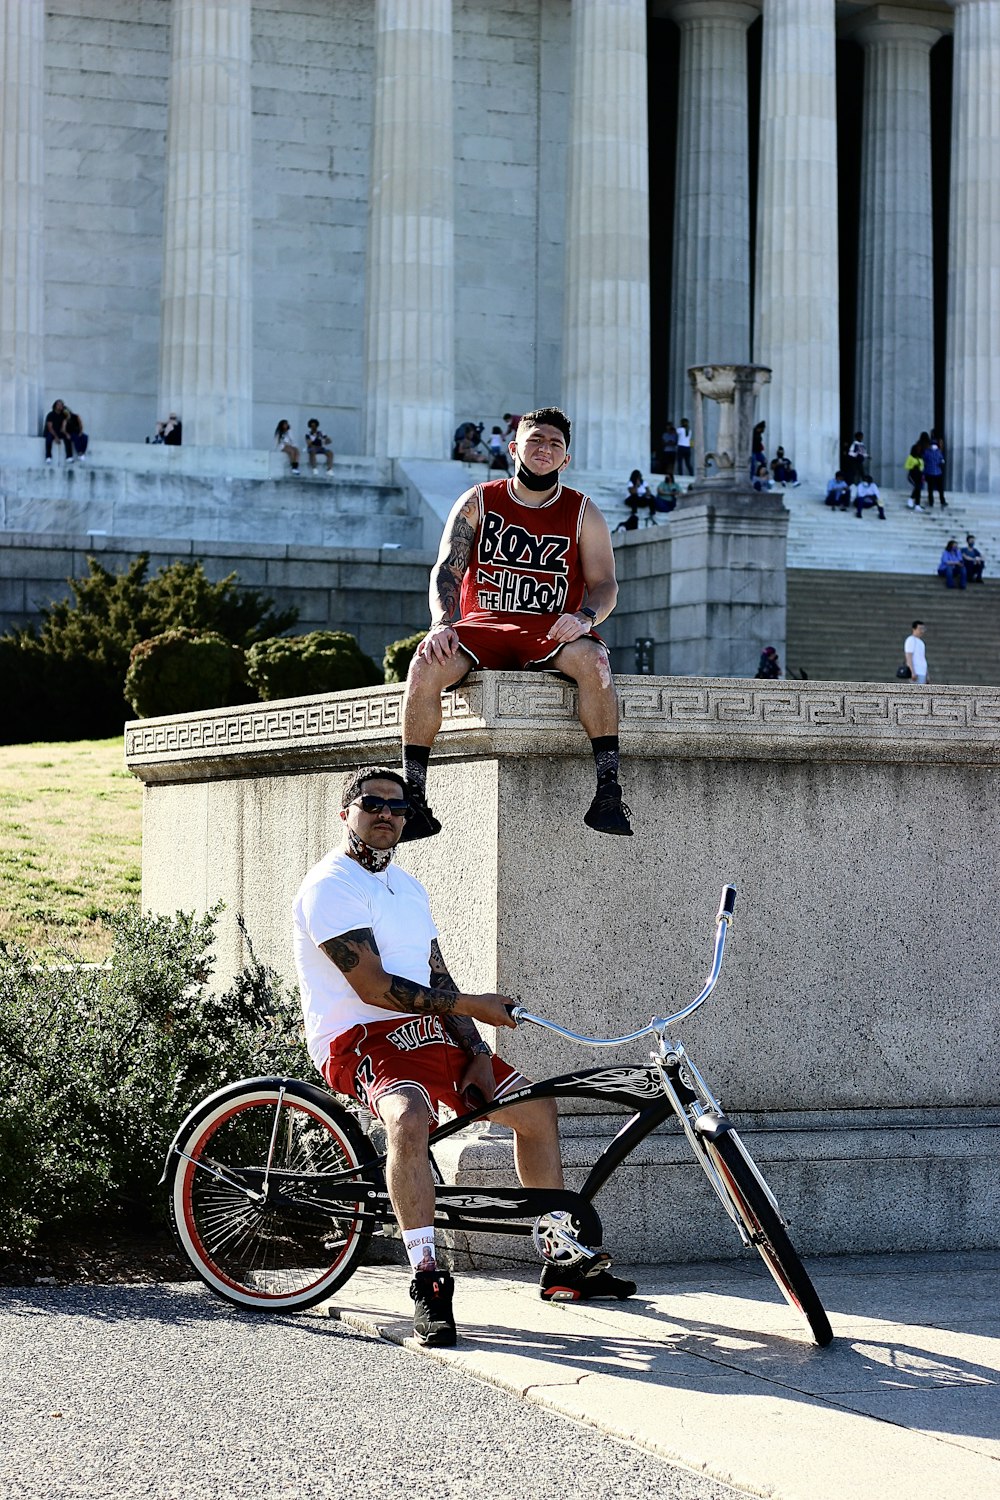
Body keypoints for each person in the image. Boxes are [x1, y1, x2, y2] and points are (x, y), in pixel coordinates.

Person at [292, 766, 637, 1346]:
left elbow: (433, 972)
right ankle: (427, 1277)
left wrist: (474, 1046)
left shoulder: (407, 887)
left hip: (430, 1030)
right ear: (346, 812)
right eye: (372, 803)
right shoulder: (331, 885)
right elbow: (375, 989)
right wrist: (476, 1005)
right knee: (408, 1117)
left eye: (398, 808)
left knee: (536, 1109)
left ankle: (560, 1258)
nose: (386, 815)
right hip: (359, 1037)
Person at [400, 406, 632, 838]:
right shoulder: (479, 500)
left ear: (566, 459)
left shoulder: (584, 512)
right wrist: (439, 624)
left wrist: (584, 618)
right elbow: (447, 568)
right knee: (424, 664)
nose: (544, 449)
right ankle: (413, 797)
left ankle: (608, 791)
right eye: (535, 440)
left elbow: (605, 585)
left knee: (595, 663)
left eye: (555, 444)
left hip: (550, 627)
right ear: (513, 449)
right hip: (482, 624)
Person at [43, 399, 72, 464]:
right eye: (58, 405)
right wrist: (55, 436)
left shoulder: (63, 416)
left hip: (59, 432)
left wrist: (66, 434)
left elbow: (63, 427)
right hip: (51, 432)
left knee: (67, 437)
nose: (60, 406)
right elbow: (50, 427)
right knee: (49, 438)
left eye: (61, 405)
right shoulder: (51, 414)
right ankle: (48, 457)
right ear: (55, 406)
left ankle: (69, 456)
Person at [922, 435, 946, 509]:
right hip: (938, 472)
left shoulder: (926, 452)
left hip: (929, 472)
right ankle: (942, 501)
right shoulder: (939, 452)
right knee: (940, 488)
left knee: (930, 488)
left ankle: (931, 502)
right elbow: (942, 461)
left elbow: (924, 461)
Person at [904, 444, 924, 510]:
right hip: (913, 474)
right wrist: (913, 466)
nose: (919, 450)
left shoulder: (920, 457)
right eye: (917, 449)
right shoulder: (910, 457)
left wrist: (920, 469)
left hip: (919, 474)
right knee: (917, 487)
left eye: (920, 449)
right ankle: (911, 499)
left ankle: (917, 504)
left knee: (919, 489)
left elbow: (922, 466)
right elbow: (906, 466)